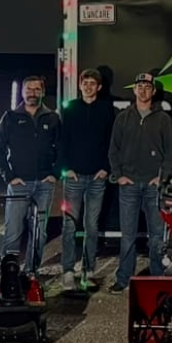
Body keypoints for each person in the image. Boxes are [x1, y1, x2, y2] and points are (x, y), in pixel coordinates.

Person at [107, 72, 172, 293]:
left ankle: (157, 278)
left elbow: (171, 153)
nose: (144, 90)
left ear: (153, 91)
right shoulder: (123, 118)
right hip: (129, 185)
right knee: (127, 235)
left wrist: (162, 176)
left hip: (154, 186)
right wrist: (119, 175)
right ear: (134, 90)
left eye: (148, 86)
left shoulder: (164, 119)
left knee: (157, 236)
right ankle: (124, 278)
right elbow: (113, 150)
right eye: (140, 86)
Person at [0, 75, 60, 275]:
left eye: (37, 89)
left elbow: (62, 148)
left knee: (39, 231)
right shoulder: (10, 117)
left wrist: (54, 173)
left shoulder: (52, 118)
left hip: (44, 185)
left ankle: (32, 271)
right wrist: (9, 176)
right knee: (13, 231)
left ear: (43, 92)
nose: (32, 93)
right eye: (28, 89)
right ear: (22, 92)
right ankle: (9, 272)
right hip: (19, 184)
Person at [56, 68, 116, 291]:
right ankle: (68, 271)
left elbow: (111, 141)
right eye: (85, 83)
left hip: (97, 177)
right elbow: (63, 141)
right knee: (69, 225)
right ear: (80, 86)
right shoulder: (71, 109)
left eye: (93, 83)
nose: (89, 86)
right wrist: (66, 168)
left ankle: (88, 272)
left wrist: (105, 168)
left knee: (92, 226)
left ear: (99, 87)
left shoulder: (106, 109)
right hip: (74, 176)